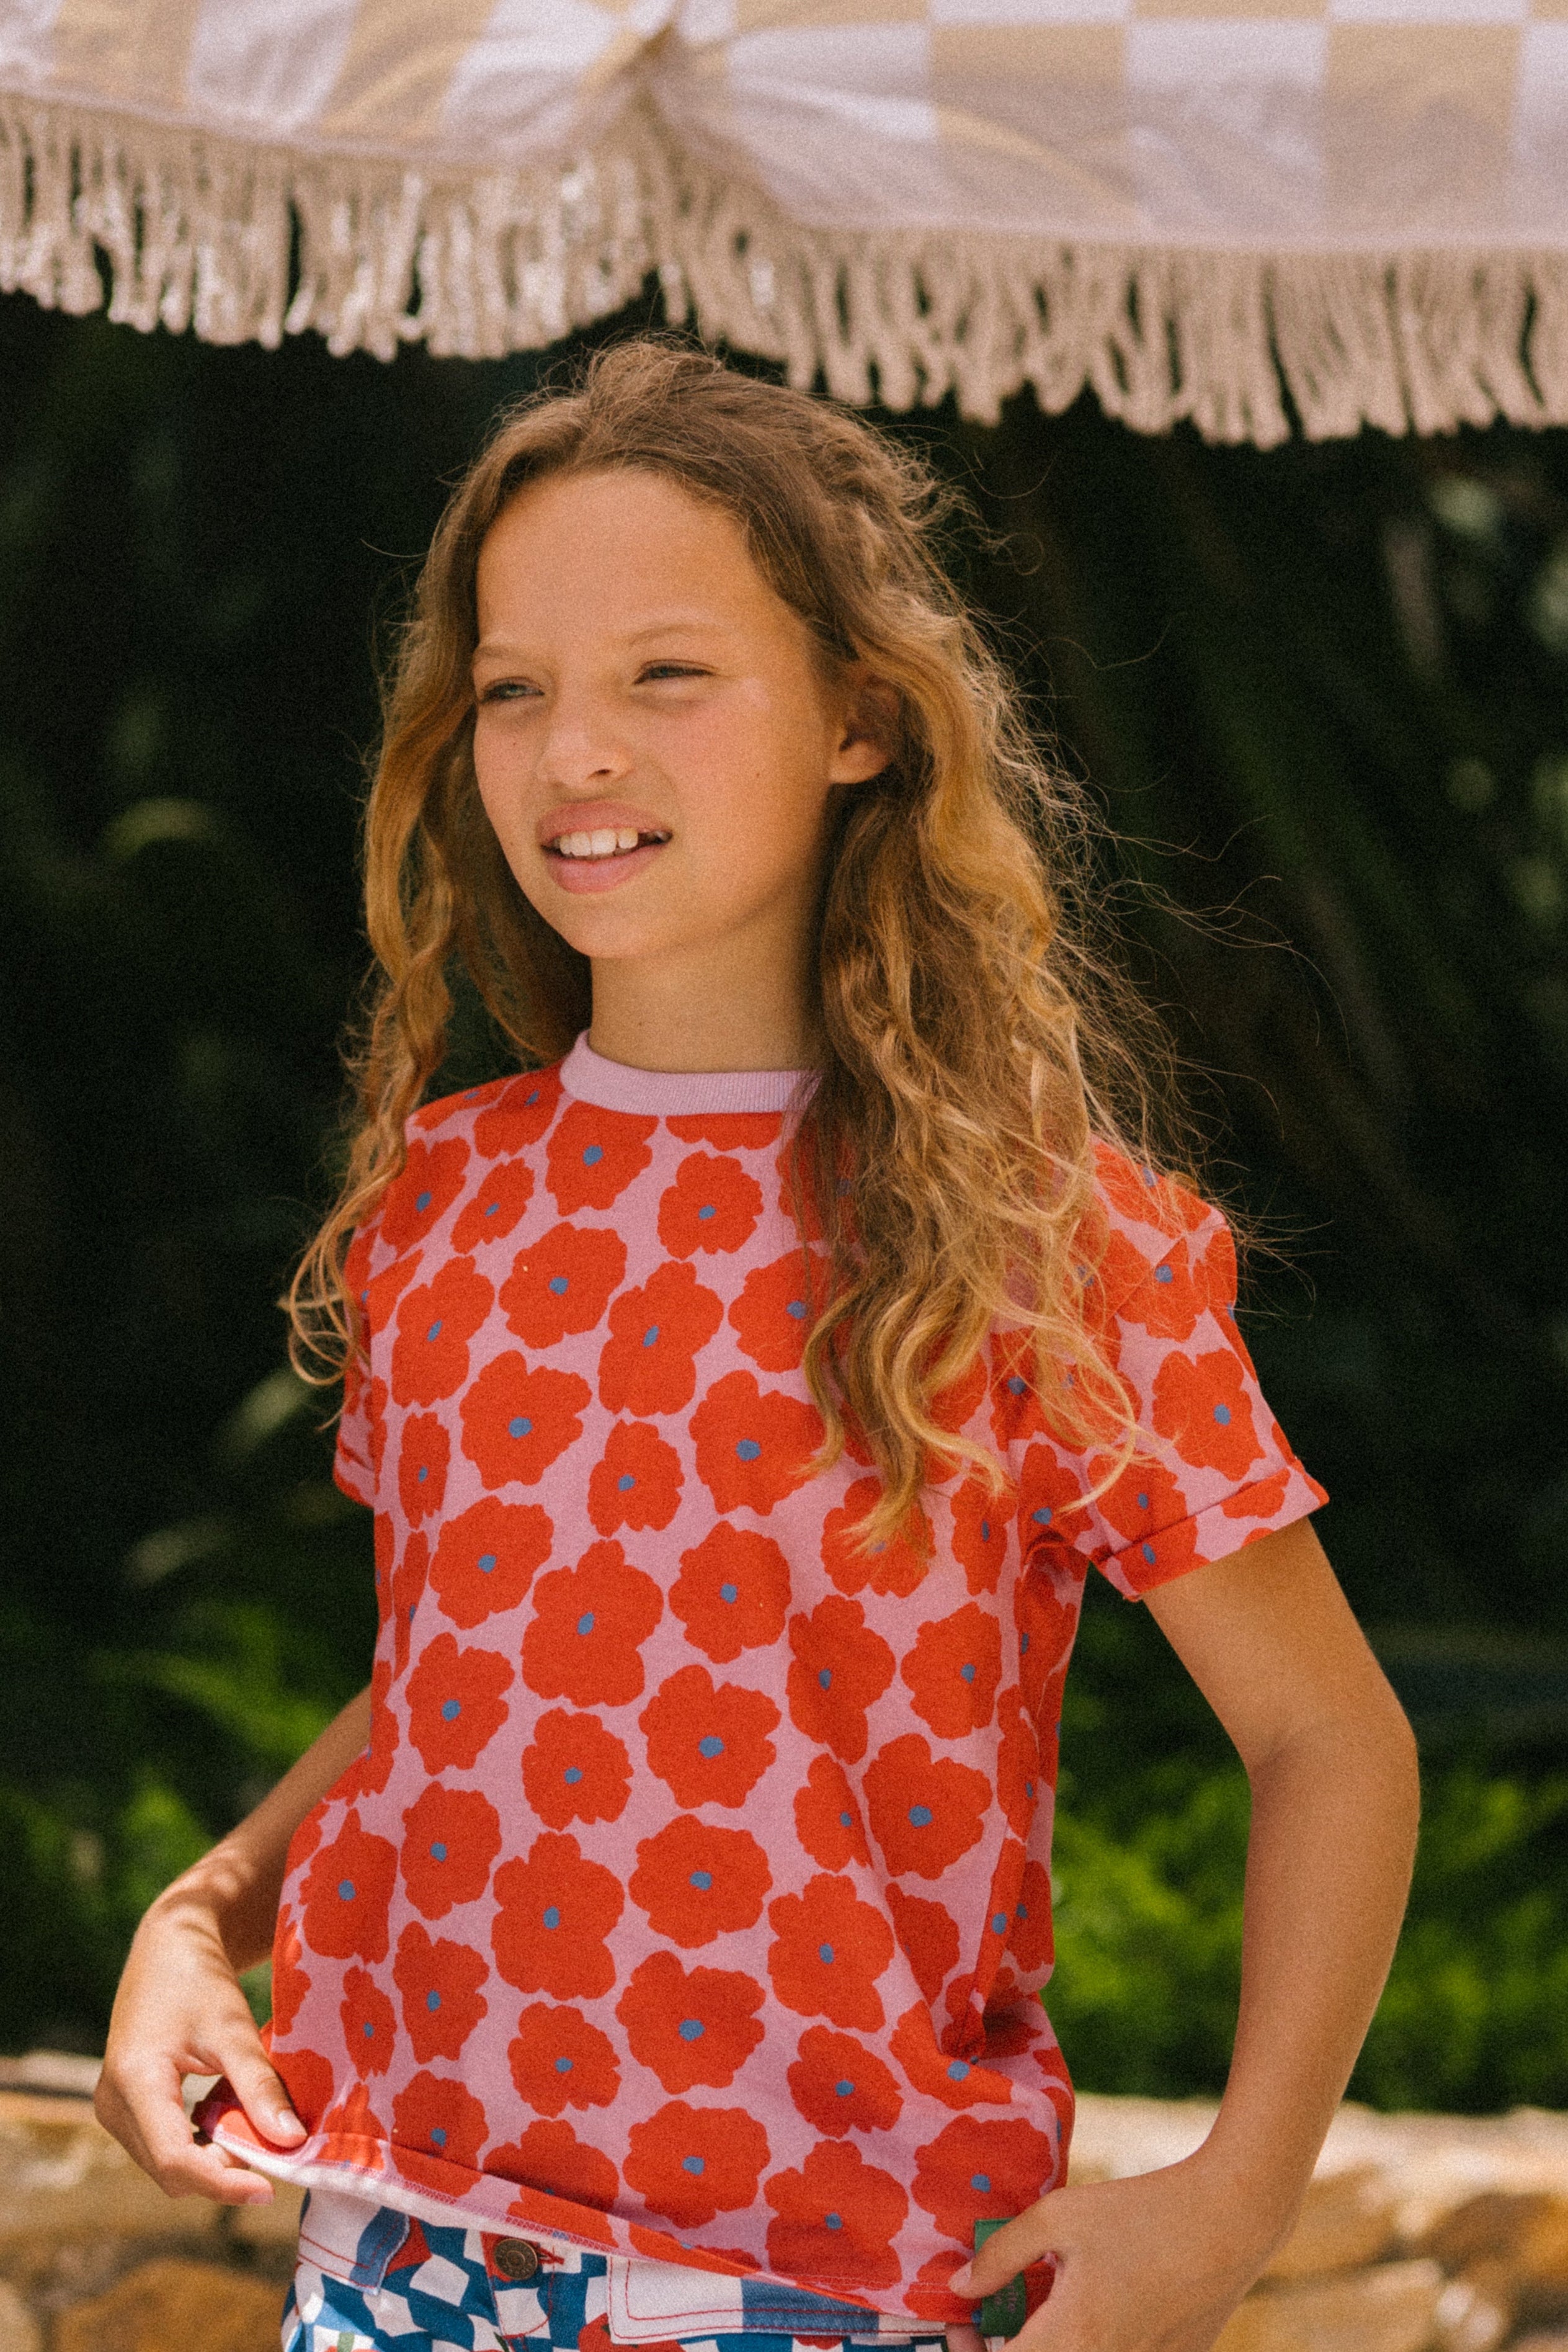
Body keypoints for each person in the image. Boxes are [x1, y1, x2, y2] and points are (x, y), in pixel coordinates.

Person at [94, 339, 1420, 2352]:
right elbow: (457, 1671)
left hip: (825, 2288)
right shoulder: (447, 1203)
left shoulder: (1041, 1244)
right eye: (514, 689)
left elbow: (1333, 1743)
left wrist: (1234, 2203)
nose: (574, 750)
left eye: (666, 674)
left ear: (862, 719)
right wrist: (202, 1914)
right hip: (390, 2255)